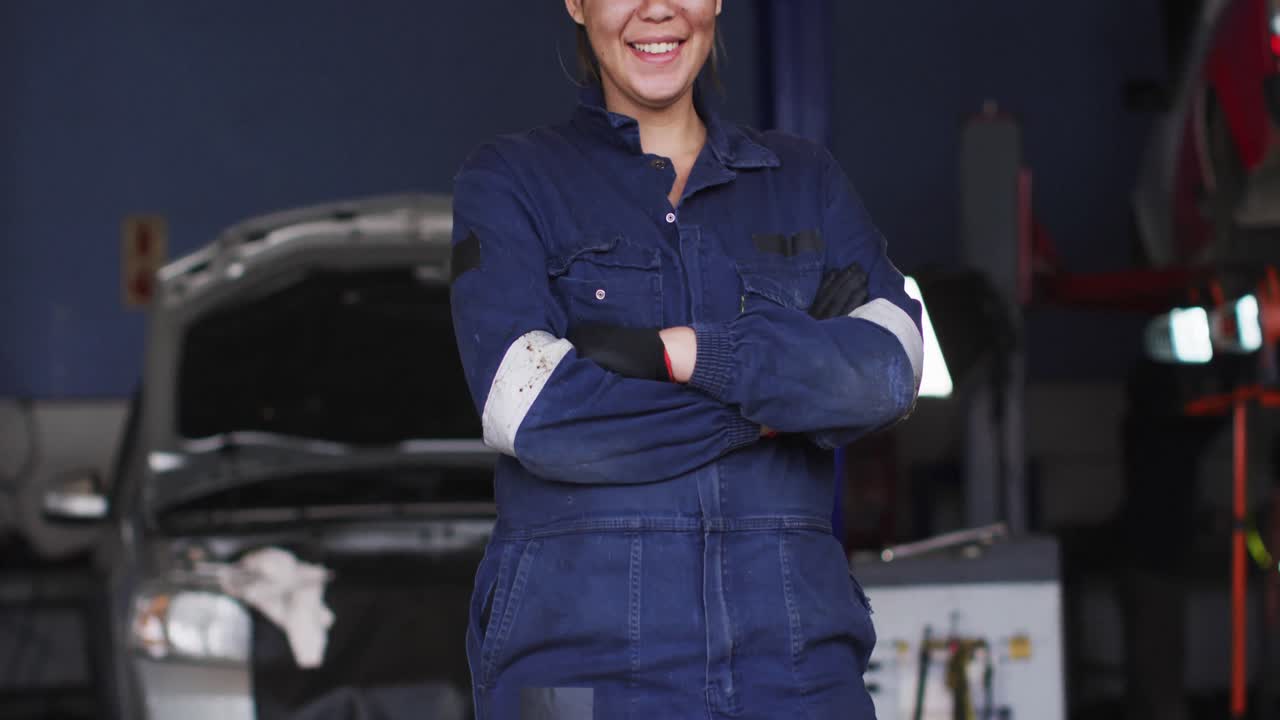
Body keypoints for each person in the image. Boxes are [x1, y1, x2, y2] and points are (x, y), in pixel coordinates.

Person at [448, 1, 922, 717]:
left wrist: (700, 355)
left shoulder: (803, 181)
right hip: (578, 661)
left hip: (795, 669)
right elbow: (532, 412)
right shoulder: (512, 181)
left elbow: (890, 369)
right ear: (577, 3)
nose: (657, 9)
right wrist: (775, 409)